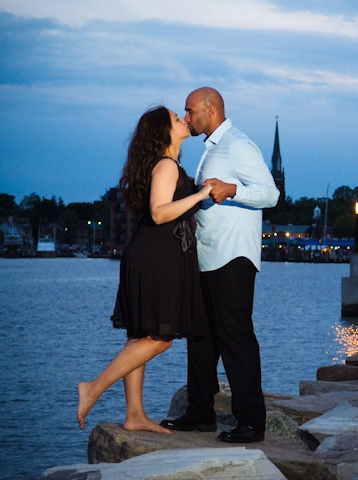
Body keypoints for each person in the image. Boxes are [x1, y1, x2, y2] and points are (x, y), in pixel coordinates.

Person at [77, 106, 212, 433]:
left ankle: (134, 414)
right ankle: (93, 388)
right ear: (163, 132)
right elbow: (160, 213)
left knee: (140, 336)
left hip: (151, 255)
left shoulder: (169, 164)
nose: (183, 119)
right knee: (159, 338)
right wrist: (202, 195)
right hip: (156, 257)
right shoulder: (166, 165)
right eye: (176, 119)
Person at [160, 87, 279, 443]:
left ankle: (252, 423)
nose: (186, 117)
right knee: (200, 337)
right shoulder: (211, 148)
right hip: (205, 257)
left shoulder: (239, 145)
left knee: (235, 337)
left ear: (210, 110)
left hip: (232, 257)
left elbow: (271, 194)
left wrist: (233, 190)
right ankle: (200, 414)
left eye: (190, 111)